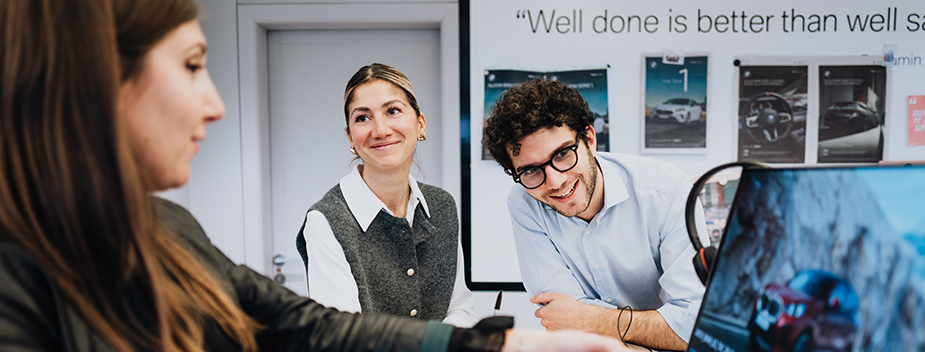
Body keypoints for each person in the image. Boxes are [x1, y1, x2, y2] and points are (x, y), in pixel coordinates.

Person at [0, 0, 633, 351]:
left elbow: (311, 326)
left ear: (420, 124)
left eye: (393, 112)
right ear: (98, 79)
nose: (215, 105)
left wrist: (501, 343)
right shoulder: (20, 269)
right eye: (192, 65)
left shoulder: (165, 226)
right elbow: (328, 325)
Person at [482, 78, 710, 351]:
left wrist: (589, 318)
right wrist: (648, 325)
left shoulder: (667, 190)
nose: (555, 181)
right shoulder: (524, 202)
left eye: (563, 154)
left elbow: (694, 327)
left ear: (590, 138)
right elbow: (561, 319)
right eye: (531, 170)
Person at [294, 63, 477, 327]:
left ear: (420, 124)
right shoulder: (325, 221)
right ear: (350, 137)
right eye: (362, 117)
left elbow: (460, 308)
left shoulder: (441, 205)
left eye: (392, 111)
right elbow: (344, 336)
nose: (380, 130)